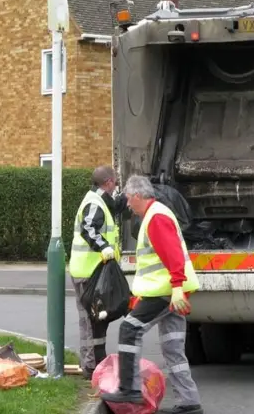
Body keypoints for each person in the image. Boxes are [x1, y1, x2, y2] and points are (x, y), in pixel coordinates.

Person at [102, 175, 204, 414]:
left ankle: (130, 388)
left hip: (164, 291)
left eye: (128, 199)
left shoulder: (156, 217)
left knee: (129, 329)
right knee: (173, 348)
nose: (127, 205)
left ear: (137, 196)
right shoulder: (157, 214)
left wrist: (177, 285)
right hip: (172, 292)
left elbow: (173, 254)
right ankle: (189, 401)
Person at [70, 165, 127, 380]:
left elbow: (113, 207)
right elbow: (89, 228)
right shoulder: (95, 203)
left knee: (89, 320)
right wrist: (104, 247)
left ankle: (90, 365)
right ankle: (93, 367)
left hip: (85, 270)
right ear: (109, 182)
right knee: (93, 320)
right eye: (115, 182)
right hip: (90, 272)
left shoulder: (99, 200)